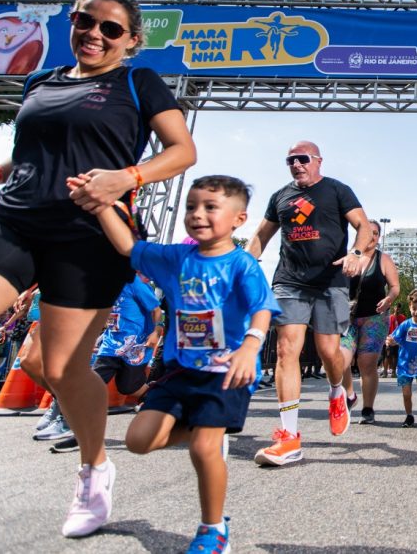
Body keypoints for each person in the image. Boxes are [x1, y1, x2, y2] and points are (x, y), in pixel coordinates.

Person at [0, 0, 196, 538]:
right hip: (12, 220)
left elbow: (182, 151)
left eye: (110, 28)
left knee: (64, 369)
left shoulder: (139, 82)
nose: (94, 33)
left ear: (131, 40)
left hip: (88, 234)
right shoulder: (42, 81)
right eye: (84, 21)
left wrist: (127, 177)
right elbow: (35, 151)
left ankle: (94, 469)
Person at [93, 174, 278, 554]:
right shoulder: (175, 259)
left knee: (205, 448)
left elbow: (262, 309)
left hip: (226, 373)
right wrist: (100, 205)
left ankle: (213, 529)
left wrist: (249, 347)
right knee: (138, 441)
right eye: (191, 206)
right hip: (179, 373)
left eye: (211, 207)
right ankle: (201, 429)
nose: (198, 214)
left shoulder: (242, 263)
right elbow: (128, 246)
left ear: (238, 219)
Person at [247, 140, 375, 466]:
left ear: (317, 160)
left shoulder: (336, 190)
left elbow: (362, 225)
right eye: (290, 160)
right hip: (289, 281)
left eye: (302, 159)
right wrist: (241, 270)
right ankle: (289, 437)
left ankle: (337, 392)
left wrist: (358, 253)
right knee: (286, 350)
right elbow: (261, 237)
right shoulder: (281, 197)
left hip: (331, 281)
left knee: (329, 352)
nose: (296, 164)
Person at [47, 274, 164, 454]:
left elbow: (156, 310)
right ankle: (82, 436)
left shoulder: (133, 282)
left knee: (128, 387)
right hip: (110, 346)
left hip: (136, 347)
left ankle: (160, 402)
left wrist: (156, 331)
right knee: (91, 387)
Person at [340, 220, 401, 425]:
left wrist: (389, 299)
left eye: (376, 233)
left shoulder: (383, 259)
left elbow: (394, 287)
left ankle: (368, 408)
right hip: (348, 317)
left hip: (375, 317)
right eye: (368, 232)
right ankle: (350, 395)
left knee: (366, 363)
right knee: (340, 359)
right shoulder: (349, 257)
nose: (372, 236)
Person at [386, 289, 417, 427]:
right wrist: (390, 341)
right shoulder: (405, 325)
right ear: (409, 307)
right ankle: (409, 416)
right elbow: (395, 338)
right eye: (414, 308)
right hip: (405, 363)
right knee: (406, 394)